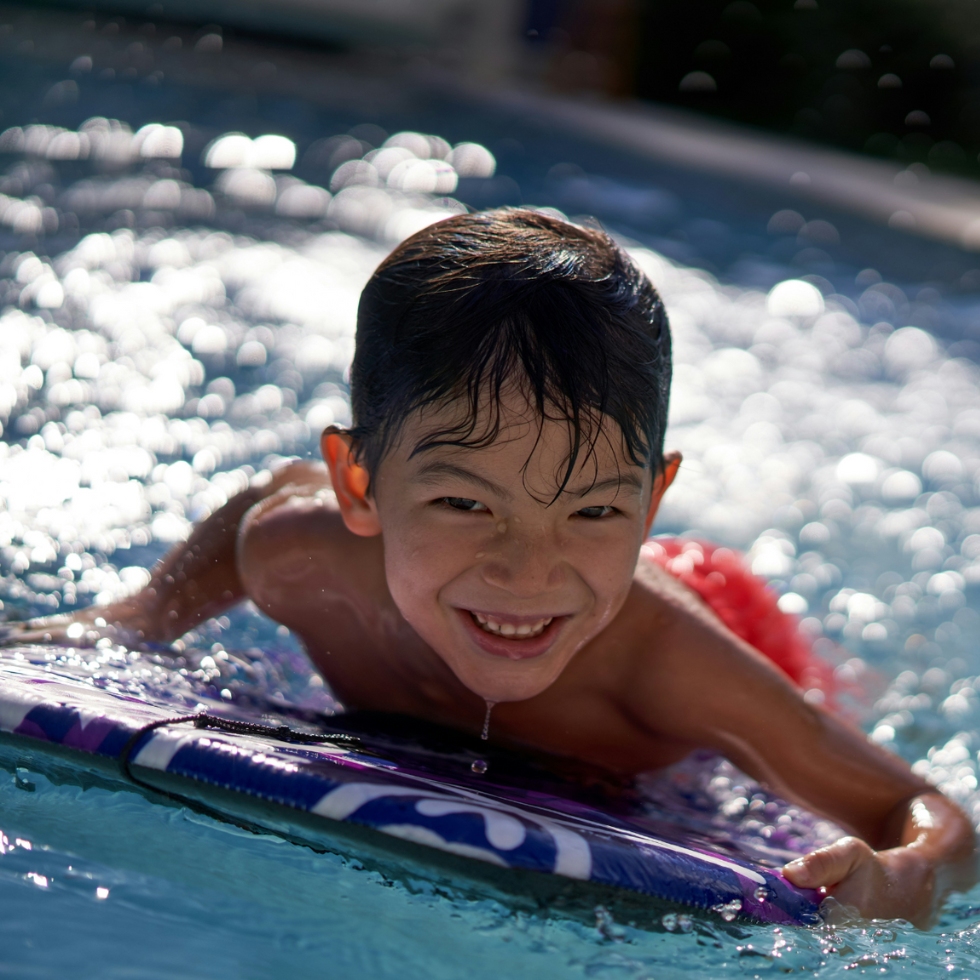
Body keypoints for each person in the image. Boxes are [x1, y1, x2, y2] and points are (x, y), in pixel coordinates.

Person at [5, 209, 974, 925]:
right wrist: (140, 613)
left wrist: (905, 871)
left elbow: (920, 808)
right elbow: (257, 511)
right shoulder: (303, 553)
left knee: (843, 697)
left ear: (649, 500)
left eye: (596, 505)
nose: (525, 571)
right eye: (465, 503)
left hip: (719, 605)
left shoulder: (665, 666)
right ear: (360, 485)